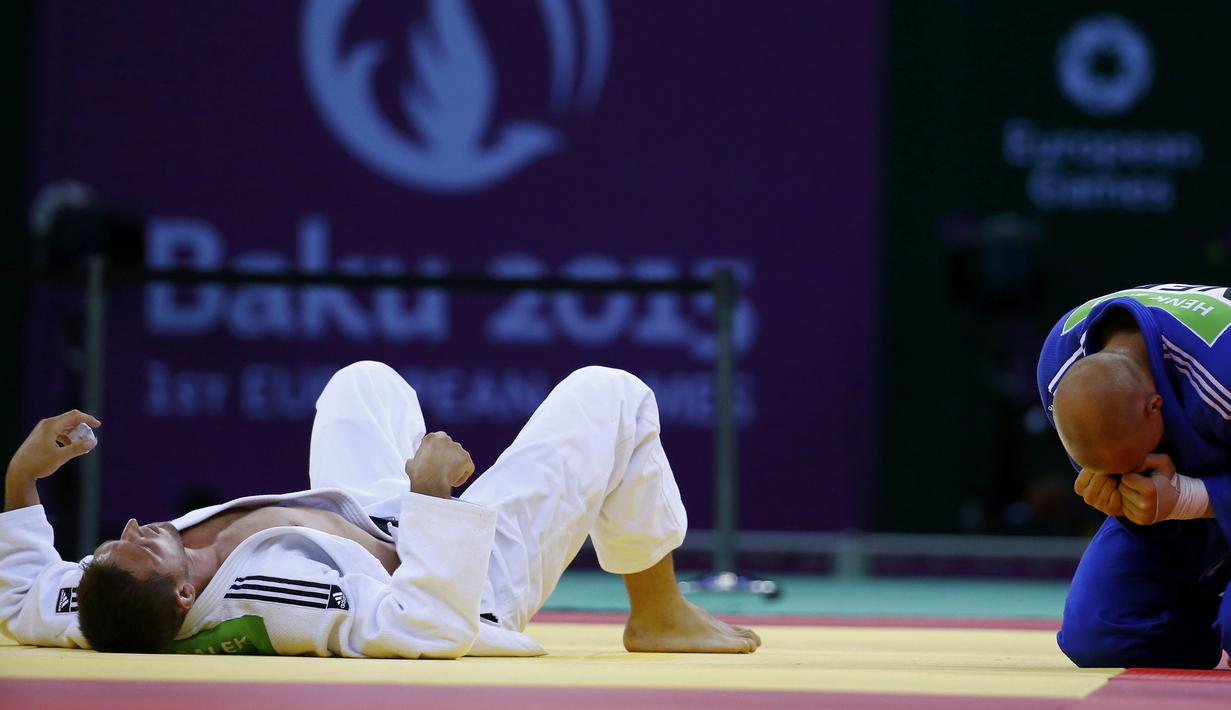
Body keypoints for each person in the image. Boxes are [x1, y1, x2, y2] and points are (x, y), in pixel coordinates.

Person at [0, 362, 760, 657]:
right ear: (185, 594)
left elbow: (17, 595)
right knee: (610, 394)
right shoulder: (280, 601)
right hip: (457, 574)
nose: (134, 530)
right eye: (149, 548)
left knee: (362, 383)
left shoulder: (98, 598)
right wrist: (431, 499)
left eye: (113, 541)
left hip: (361, 516)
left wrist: (20, 478)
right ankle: (656, 613)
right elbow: (420, 625)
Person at [1037, 284, 1231, 668]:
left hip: (1199, 487)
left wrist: (1190, 497)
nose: (1133, 476)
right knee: (1101, 635)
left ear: (1154, 407)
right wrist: (1114, 494)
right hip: (1182, 507)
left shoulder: (1221, 374)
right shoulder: (1059, 366)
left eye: (1136, 463)